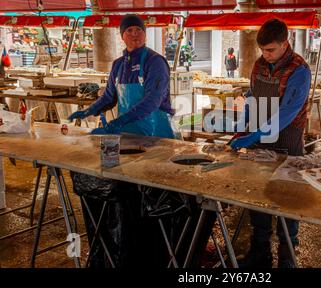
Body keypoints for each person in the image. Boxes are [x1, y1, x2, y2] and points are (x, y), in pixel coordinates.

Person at [67, 15, 212, 268]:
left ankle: (162, 251)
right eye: (129, 30)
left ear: (145, 34)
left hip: (158, 138)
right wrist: (87, 111)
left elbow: (152, 101)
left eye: (139, 30)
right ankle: (135, 250)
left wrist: (117, 123)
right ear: (122, 35)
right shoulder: (118, 64)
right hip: (129, 140)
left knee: (159, 195)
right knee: (133, 195)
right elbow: (110, 96)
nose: (135, 34)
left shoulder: (155, 62)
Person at [230, 19, 312, 268]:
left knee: (287, 198)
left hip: (287, 139)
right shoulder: (259, 65)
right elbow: (253, 95)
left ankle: (287, 254)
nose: (266, 55)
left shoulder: (300, 70)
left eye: (271, 50)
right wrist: (244, 126)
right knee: (258, 195)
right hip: (259, 139)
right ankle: (260, 251)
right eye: (263, 50)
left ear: (285, 44)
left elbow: (287, 112)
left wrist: (254, 136)